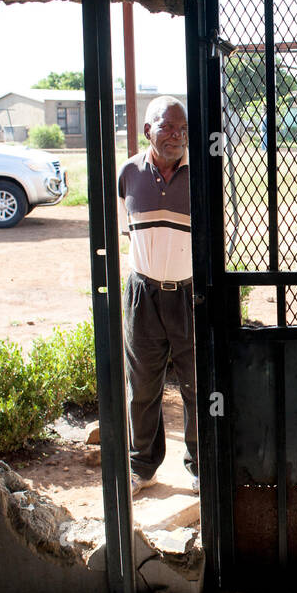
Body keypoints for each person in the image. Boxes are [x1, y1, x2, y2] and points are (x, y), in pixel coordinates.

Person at [118, 96, 198, 494]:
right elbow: (127, 232)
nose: (177, 136)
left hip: (189, 296)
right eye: (167, 127)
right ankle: (142, 467)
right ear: (147, 129)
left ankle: (201, 467)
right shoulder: (129, 173)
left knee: (197, 385)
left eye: (183, 129)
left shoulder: (200, 173)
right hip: (143, 295)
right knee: (144, 385)